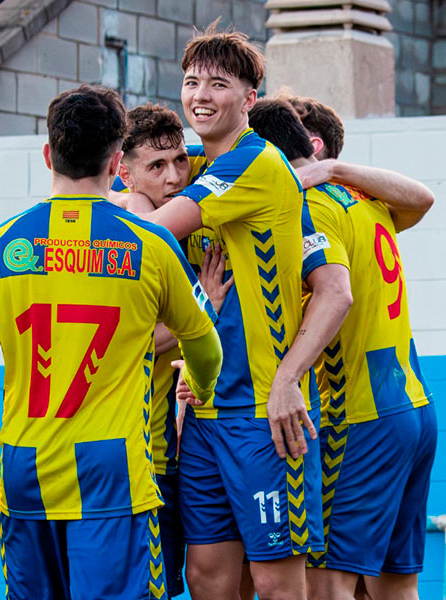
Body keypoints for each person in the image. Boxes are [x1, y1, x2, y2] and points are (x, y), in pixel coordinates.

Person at [0, 84, 223, 600]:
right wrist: (200, 387)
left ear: (49, 154)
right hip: (115, 475)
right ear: (118, 162)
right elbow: (206, 347)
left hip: (25, 472)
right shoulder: (151, 244)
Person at [141, 24, 324, 600]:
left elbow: (149, 232)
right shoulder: (199, 164)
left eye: (218, 84)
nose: (200, 94)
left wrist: (290, 378)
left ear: (249, 99)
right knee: (206, 578)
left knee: (276, 583)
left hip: (264, 413)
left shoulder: (254, 163)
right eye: (191, 81)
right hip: (204, 412)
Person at [248, 96, 437, 600]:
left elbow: (336, 295)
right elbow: (423, 198)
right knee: (397, 584)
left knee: (329, 583)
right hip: (413, 407)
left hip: (359, 414)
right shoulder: (367, 199)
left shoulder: (311, 206)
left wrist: (284, 377)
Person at [115, 102, 233, 598]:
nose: (173, 176)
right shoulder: (130, 223)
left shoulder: (178, 213)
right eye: (155, 166)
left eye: (179, 161)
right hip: (135, 455)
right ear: (124, 172)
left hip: (164, 444)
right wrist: (201, 305)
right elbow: (129, 337)